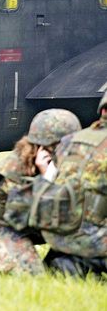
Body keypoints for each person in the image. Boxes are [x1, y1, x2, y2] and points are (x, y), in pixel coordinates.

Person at [0, 109, 81, 275]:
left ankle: (56, 261)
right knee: (30, 275)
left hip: (47, 223)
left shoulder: (69, 161)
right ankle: (2, 256)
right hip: (10, 229)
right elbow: (20, 214)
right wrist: (46, 178)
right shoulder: (14, 168)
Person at [41, 93, 107, 277]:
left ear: (102, 110)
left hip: (57, 235)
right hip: (93, 239)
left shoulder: (68, 141)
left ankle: (69, 263)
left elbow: (47, 184)